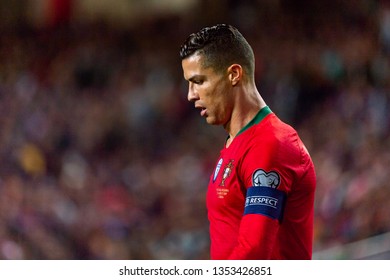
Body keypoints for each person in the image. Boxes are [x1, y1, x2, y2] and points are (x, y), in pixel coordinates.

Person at [179, 24, 316, 260]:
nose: (191, 94)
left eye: (199, 81)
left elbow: (254, 253)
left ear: (233, 74)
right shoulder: (235, 143)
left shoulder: (270, 144)